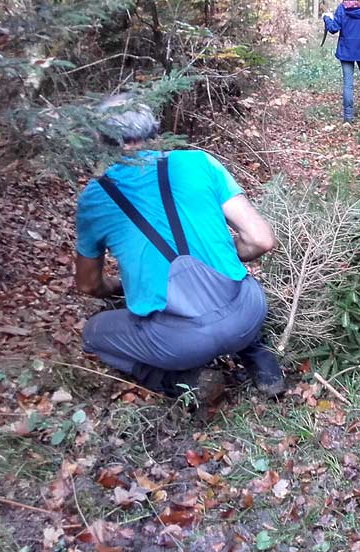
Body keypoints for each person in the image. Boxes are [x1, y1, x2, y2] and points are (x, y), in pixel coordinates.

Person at [74, 96, 286, 401]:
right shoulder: (199, 162)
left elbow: (88, 284)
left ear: (100, 140)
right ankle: (261, 361)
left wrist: (121, 287)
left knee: (93, 333)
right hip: (247, 314)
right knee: (230, 296)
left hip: (178, 343)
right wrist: (220, 257)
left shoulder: (94, 199)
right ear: (154, 131)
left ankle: (186, 381)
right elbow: (261, 239)